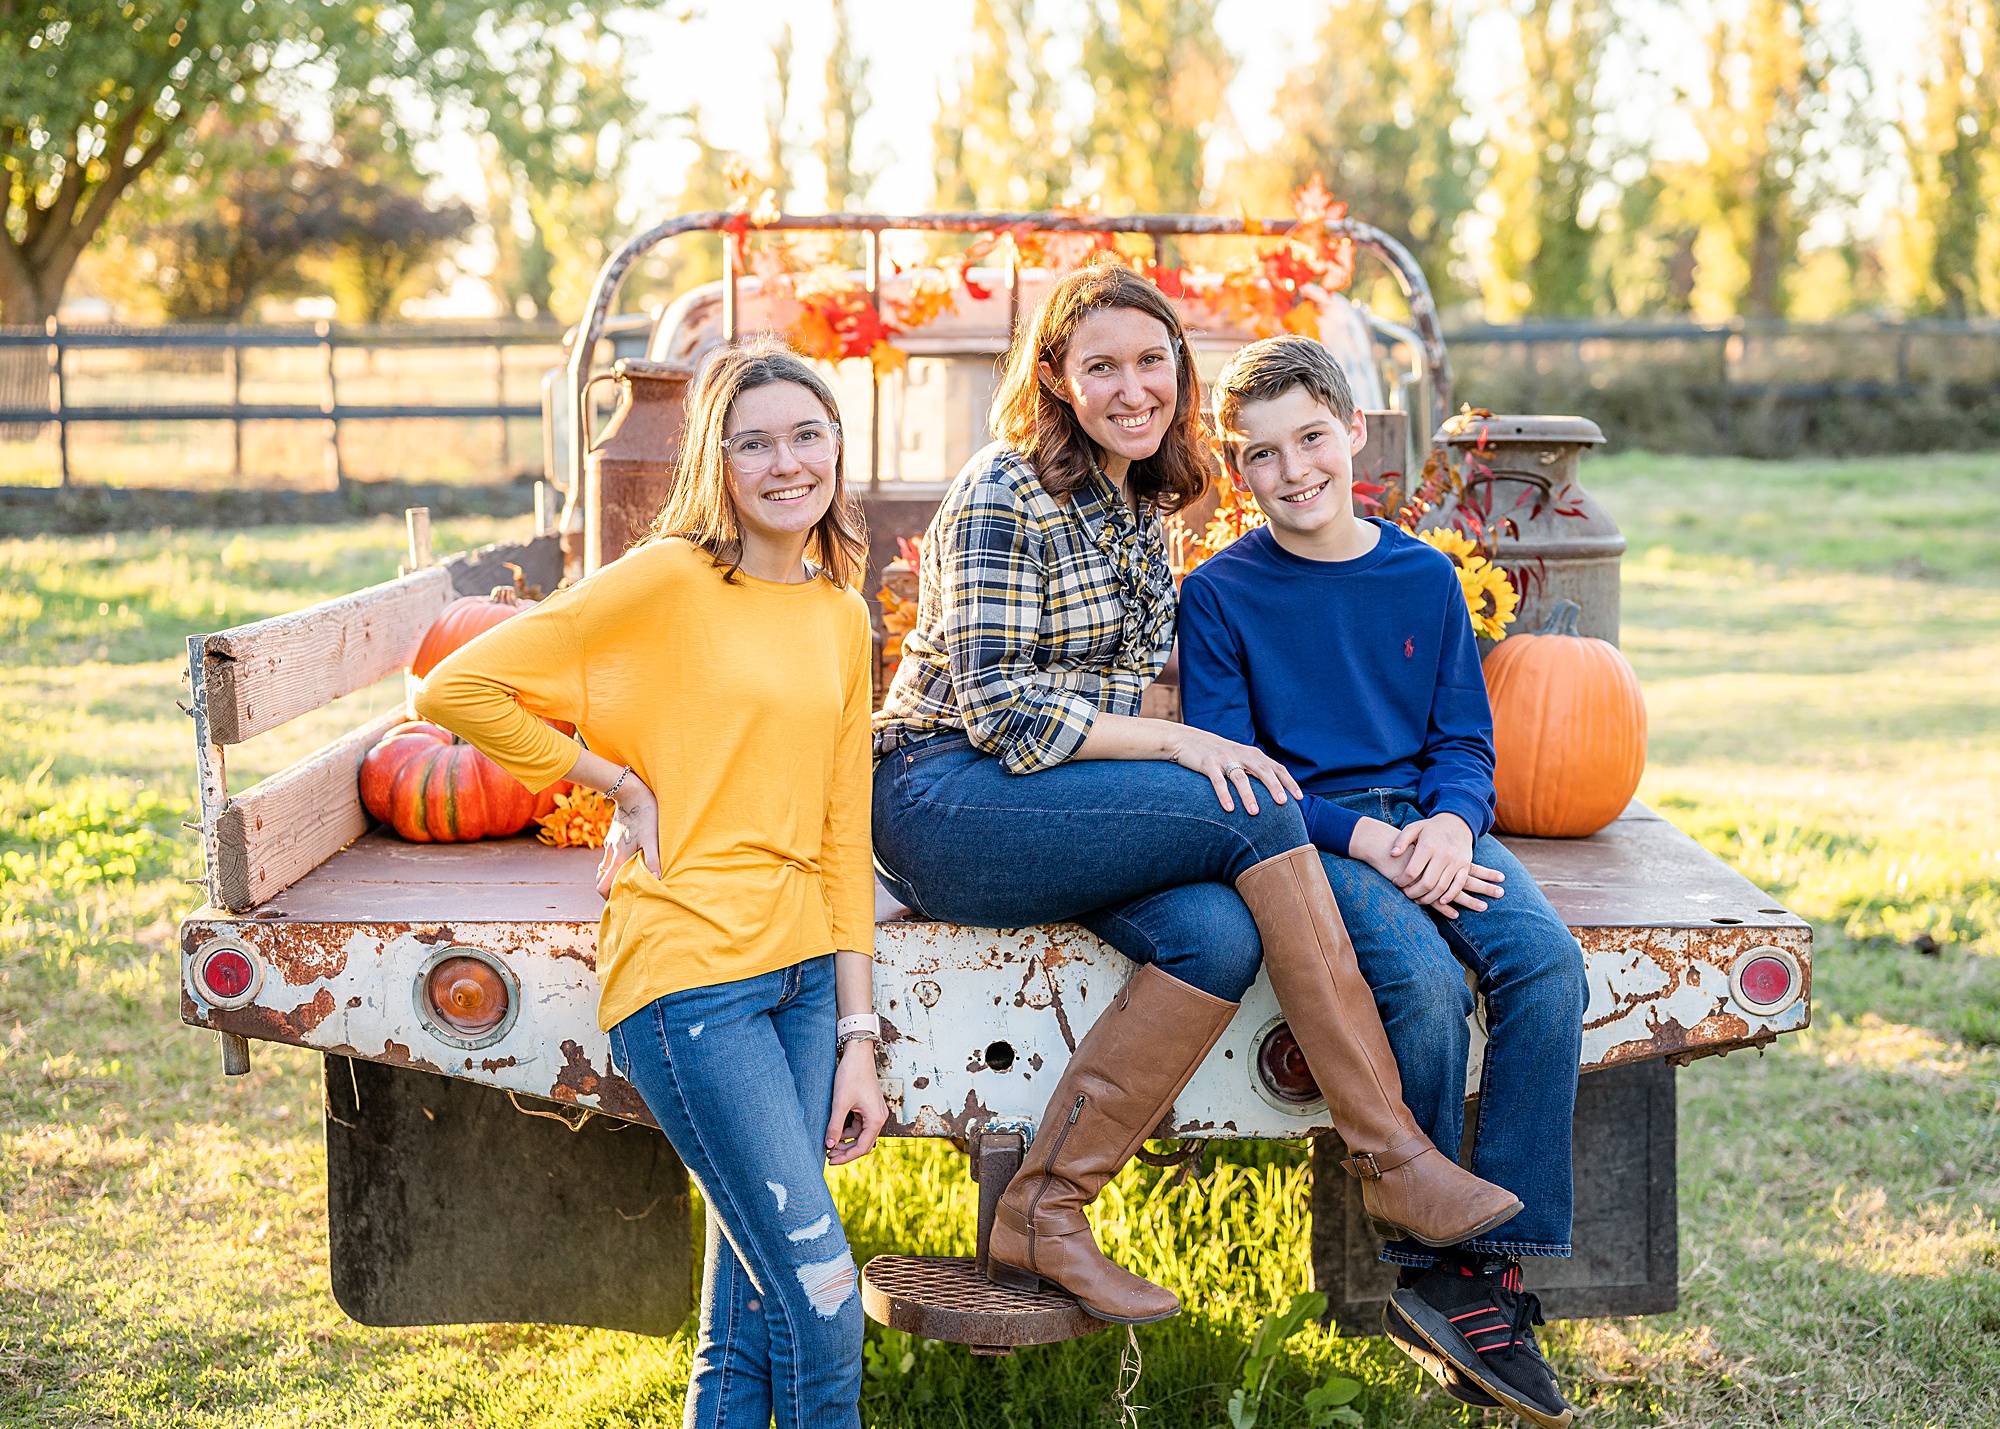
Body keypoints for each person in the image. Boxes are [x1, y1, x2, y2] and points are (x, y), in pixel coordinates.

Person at [871, 257, 1520, 1328]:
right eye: (1100, 367)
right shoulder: (1003, 485)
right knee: (1252, 796)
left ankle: (1042, 1209)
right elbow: (996, 711)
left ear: (1176, 365)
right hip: (944, 796)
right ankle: (1392, 1152)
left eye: (1150, 360)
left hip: (1060, 803)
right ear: (1054, 378)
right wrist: (1175, 744)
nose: (1131, 388)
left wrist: (1176, 744)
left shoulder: (1139, 513)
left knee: (1215, 935)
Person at [416, 339, 886, 1429]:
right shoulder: (670, 578)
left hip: (804, 983)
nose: (785, 463)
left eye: (806, 435)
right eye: (754, 441)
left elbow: (839, 829)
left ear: (836, 450)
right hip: (691, 984)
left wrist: (858, 1036)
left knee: (748, 1323)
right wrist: (615, 780)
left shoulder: (839, 615)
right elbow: (460, 685)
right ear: (716, 465)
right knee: (823, 1304)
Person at [1177, 334, 1588, 1429]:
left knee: (1546, 968)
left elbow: (1464, 738)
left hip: (1432, 827)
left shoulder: (1420, 575)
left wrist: (1454, 826)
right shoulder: (1217, 595)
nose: (1291, 469)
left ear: (1352, 432)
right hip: (1312, 841)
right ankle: (1422, 1246)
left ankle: (1483, 1274)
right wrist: (1362, 840)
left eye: (1309, 436)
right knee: (1415, 981)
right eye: (1259, 454)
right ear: (1236, 469)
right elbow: (1234, 773)